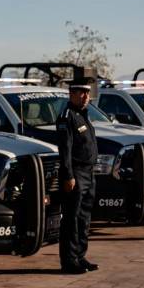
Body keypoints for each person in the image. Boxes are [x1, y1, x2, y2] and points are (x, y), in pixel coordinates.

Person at [56, 76, 100, 272]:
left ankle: (80, 256)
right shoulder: (68, 116)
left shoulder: (84, 114)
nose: (85, 96)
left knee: (84, 218)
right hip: (75, 173)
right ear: (71, 93)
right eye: (80, 92)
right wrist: (68, 176)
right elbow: (65, 149)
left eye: (87, 93)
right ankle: (69, 260)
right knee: (72, 219)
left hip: (89, 173)